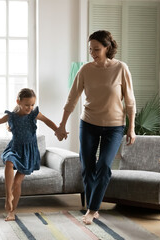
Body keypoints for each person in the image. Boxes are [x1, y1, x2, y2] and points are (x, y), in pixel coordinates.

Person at [55, 30, 136, 225]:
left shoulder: (121, 68)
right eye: (90, 49)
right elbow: (72, 99)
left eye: (97, 49)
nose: (92, 52)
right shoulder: (85, 70)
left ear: (107, 48)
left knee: (104, 165)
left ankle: (92, 209)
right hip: (89, 123)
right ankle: (93, 206)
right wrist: (62, 125)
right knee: (87, 167)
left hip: (115, 126)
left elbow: (130, 101)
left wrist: (131, 128)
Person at [0, 88, 58, 221]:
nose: (30, 107)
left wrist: (58, 130)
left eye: (32, 104)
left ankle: (12, 211)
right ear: (18, 102)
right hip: (15, 148)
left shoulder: (34, 114)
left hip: (29, 152)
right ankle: (7, 195)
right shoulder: (11, 117)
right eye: (27, 105)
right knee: (9, 162)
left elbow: (48, 121)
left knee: (17, 182)